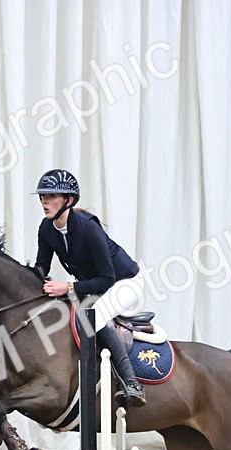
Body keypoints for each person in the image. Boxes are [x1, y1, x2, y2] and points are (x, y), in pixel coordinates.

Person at [32, 168, 147, 406]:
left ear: (69, 200)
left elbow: (107, 278)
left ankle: (132, 383)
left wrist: (67, 286)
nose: (44, 202)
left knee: (96, 317)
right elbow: (41, 267)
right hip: (93, 287)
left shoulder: (88, 228)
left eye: (51, 196)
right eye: (42, 196)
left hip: (125, 283)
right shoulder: (46, 229)